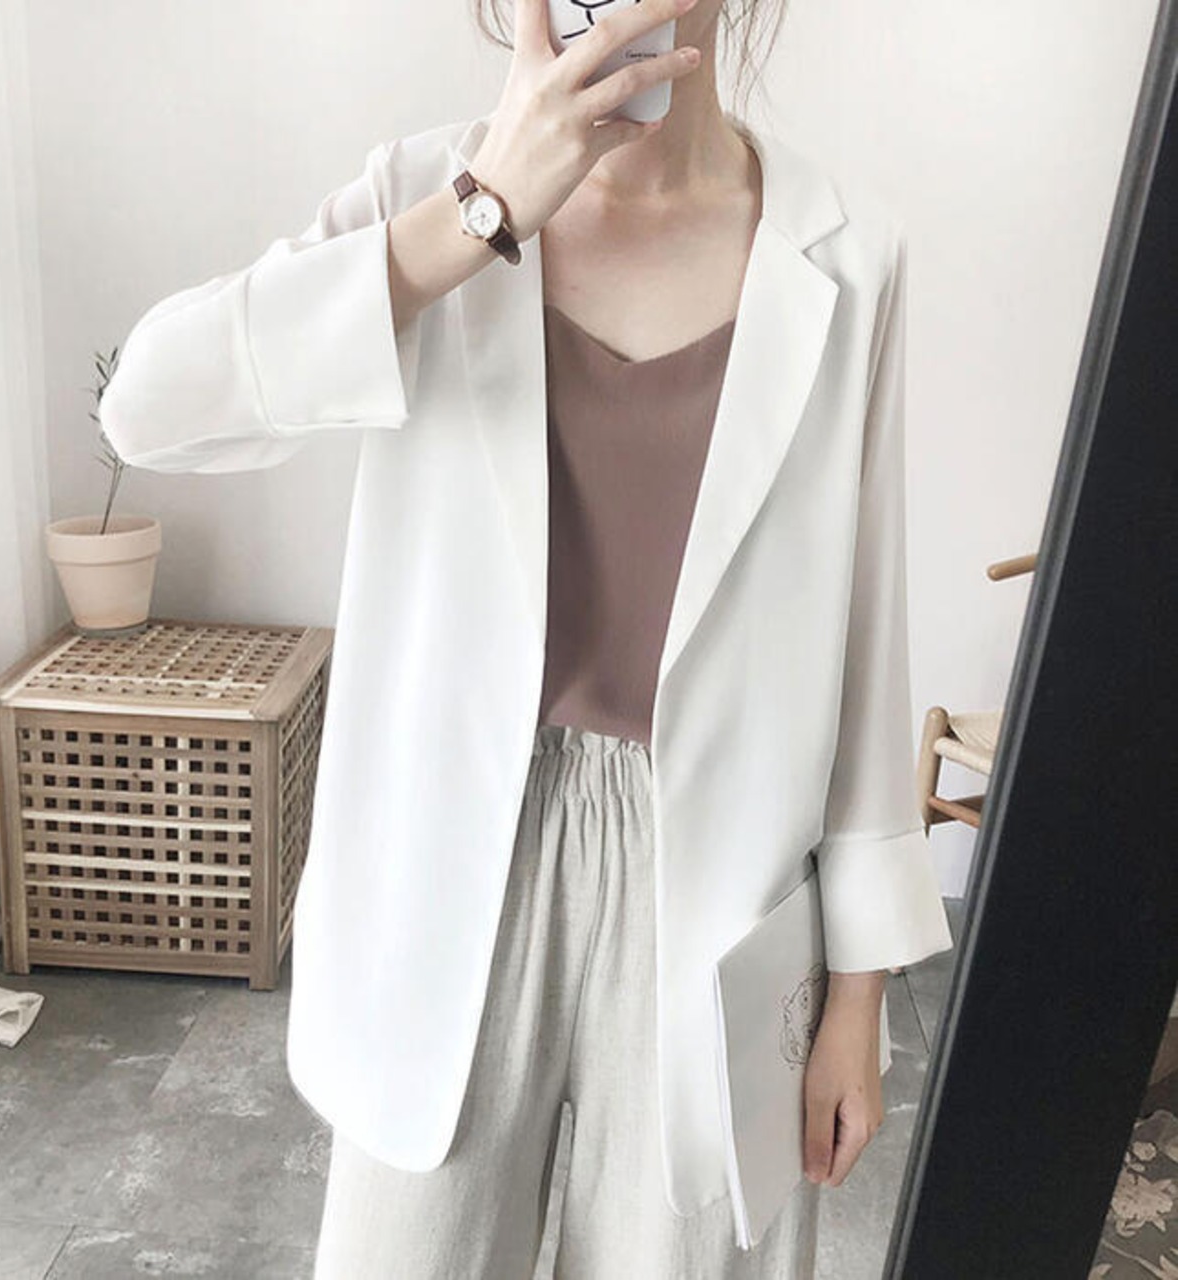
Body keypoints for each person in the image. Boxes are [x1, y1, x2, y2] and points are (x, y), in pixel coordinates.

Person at [99, 0, 955, 1275]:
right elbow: (147, 406)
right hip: (452, 851)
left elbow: (862, 632)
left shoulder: (844, 251)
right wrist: (477, 212)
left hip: (716, 881)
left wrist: (855, 992)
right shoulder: (426, 190)